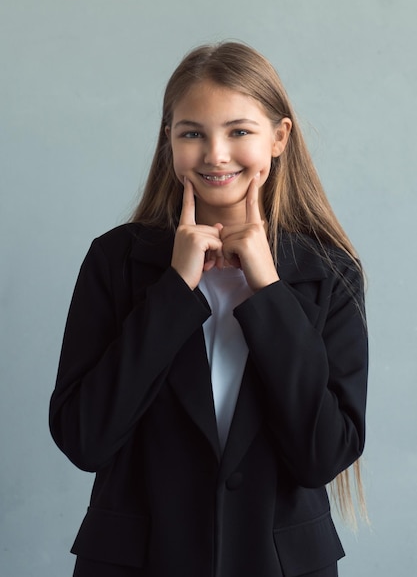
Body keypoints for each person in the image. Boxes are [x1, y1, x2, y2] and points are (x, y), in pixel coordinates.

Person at [49, 41, 368, 577]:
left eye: (239, 131)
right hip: (137, 562)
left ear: (279, 138)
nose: (216, 154)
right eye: (192, 132)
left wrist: (268, 288)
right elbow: (86, 439)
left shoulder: (330, 272)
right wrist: (174, 289)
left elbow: (322, 454)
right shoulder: (114, 260)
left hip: (279, 565)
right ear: (168, 140)